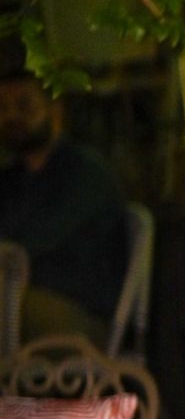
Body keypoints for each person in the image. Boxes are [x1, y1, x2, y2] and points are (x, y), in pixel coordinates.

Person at [0, 41, 129, 343]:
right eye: (2, 109)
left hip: (79, 315)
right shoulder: (11, 179)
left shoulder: (84, 173)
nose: (11, 117)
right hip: (19, 300)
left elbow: (29, 243)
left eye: (24, 106)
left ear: (55, 110)